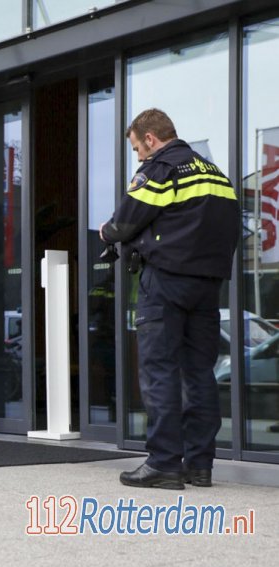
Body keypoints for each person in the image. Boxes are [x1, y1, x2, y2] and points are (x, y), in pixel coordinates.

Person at [99, 109, 239, 489]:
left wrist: (106, 233)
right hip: (207, 285)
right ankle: (200, 465)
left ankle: (163, 464)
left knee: (159, 370)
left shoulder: (160, 169)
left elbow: (125, 221)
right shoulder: (216, 175)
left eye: (137, 148)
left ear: (150, 138)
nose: (138, 157)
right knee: (200, 373)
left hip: (165, 282)